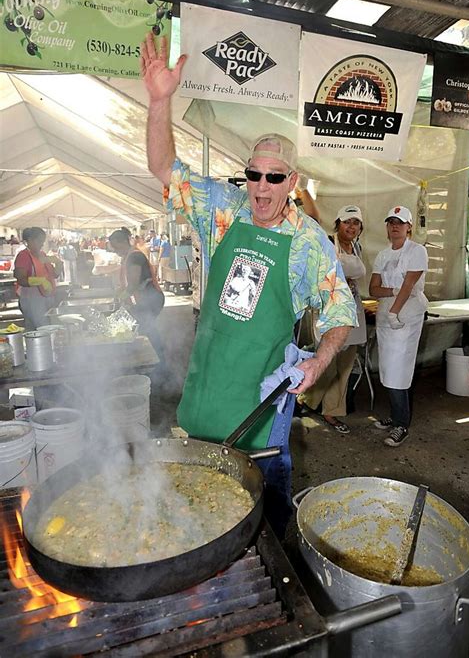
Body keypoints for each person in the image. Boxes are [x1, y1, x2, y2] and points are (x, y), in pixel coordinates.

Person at [141, 32, 357, 535]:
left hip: (260, 404)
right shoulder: (224, 208)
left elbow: (340, 313)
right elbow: (163, 169)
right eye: (254, 174)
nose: (261, 187)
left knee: (264, 511)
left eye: (274, 178)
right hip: (206, 389)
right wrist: (159, 101)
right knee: (195, 505)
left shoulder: (307, 242)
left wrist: (318, 362)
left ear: (293, 182)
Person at [298, 205, 367, 433]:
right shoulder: (327, 242)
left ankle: (332, 412)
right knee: (326, 364)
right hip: (329, 310)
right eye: (347, 222)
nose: (352, 227)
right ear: (338, 224)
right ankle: (307, 400)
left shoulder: (357, 247)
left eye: (356, 222)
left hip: (352, 310)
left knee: (345, 366)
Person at [369, 206, 428, 447]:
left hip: (407, 316)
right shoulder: (383, 254)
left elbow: (410, 285)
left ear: (409, 227)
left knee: (399, 370)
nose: (395, 226)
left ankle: (402, 424)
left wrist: (395, 311)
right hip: (386, 315)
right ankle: (395, 416)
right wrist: (391, 296)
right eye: (391, 222)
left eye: (400, 222)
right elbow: (373, 289)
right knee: (387, 369)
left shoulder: (417, 251)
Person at [108, 227, 165, 358]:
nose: (115, 251)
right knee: (145, 326)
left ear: (123, 242)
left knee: (146, 327)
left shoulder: (135, 256)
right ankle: (156, 357)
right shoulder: (129, 256)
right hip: (145, 298)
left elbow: (133, 283)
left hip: (152, 298)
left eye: (116, 247)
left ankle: (158, 359)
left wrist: (121, 298)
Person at [13, 227, 60, 330]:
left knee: (48, 327)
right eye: (39, 241)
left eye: (42, 242)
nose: (42, 244)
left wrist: (58, 264)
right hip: (32, 300)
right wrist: (40, 281)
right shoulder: (23, 256)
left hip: (47, 298)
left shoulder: (42, 255)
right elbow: (21, 279)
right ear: (29, 240)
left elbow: (54, 274)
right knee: (42, 329)